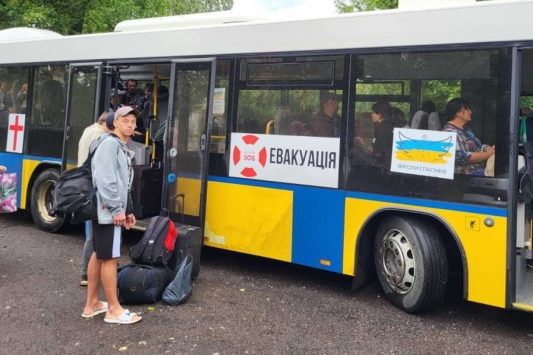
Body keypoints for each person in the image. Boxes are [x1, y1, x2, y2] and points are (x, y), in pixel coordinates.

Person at [82, 106, 141, 324]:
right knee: (110, 257)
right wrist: (117, 210)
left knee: (99, 254)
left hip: (107, 210)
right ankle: (114, 310)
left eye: (133, 121)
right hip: (107, 211)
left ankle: (92, 304)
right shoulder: (109, 144)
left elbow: (121, 182)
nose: (131, 125)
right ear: (114, 122)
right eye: (126, 120)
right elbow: (106, 180)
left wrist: (129, 210)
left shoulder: (117, 145)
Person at [77, 112, 112, 286]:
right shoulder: (100, 135)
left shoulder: (89, 130)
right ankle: (86, 273)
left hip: (86, 183)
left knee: (92, 233)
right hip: (93, 186)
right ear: (106, 123)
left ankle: (91, 273)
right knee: (93, 236)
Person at [441, 98, 495, 176]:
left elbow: (478, 147)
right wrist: (488, 154)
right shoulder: (449, 132)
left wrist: (488, 149)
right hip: (465, 177)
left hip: (480, 171)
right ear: (458, 113)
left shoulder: (466, 129)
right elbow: (462, 157)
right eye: (467, 109)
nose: (470, 112)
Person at [370, 101, 396, 168]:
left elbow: (378, 151)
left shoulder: (381, 128)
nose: (371, 115)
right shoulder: (391, 125)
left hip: (383, 165)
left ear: (380, 114)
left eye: (373, 113)